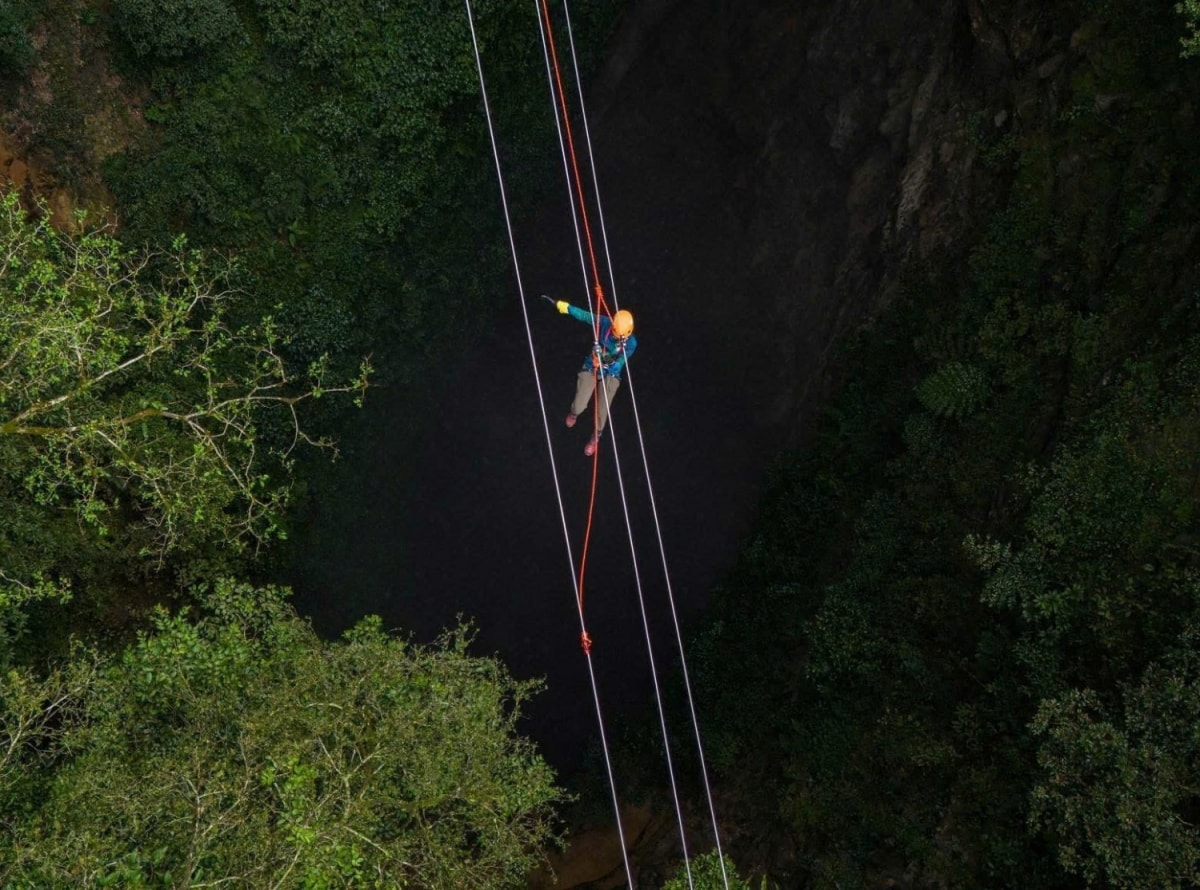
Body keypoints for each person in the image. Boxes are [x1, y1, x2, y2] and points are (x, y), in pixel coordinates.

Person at [542, 296, 637, 456]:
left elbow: (619, 362)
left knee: (601, 412)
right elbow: (585, 316)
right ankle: (574, 413)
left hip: (610, 374)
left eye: (618, 334)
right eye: (614, 331)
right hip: (592, 367)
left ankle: (596, 436)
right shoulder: (606, 323)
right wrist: (565, 307)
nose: (615, 335)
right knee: (579, 404)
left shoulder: (631, 344)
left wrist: (606, 360)